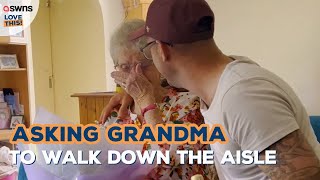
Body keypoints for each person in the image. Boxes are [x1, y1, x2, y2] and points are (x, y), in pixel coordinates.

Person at [109, 0, 320, 179]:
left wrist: (146, 99)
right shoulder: (224, 87)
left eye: (146, 54)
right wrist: (133, 94)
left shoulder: (242, 96)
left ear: (162, 50)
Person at [101, 19, 217, 180]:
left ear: (159, 63)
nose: (136, 75)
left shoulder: (189, 106)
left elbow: (175, 169)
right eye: (125, 67)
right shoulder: (115, 115)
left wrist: (146, 100)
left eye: (143, 65)